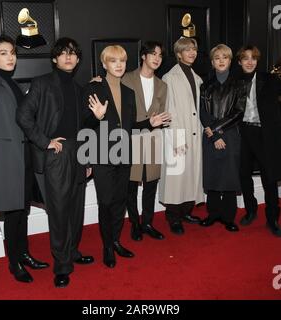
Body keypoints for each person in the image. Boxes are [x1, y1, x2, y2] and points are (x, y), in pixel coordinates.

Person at [0, 32, 49, 283]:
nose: (10, 58)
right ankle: (14, 263)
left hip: (24, 154)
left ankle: (24, 254)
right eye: (3, 53)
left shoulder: (13, 84)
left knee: (22, 209)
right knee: (13, 213)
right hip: (7, 156)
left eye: (12, 53)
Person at [16, 37, 94, 288]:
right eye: (63, 53)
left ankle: (72, 252)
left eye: (73, 53)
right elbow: (23, 115)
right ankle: (62, 265)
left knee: (76, 209)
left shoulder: (79, 89)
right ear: (54, 58)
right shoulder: (42, 84)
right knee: (59, 211)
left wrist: (87, 157)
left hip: (77, 152)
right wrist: (45, 141)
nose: (68, 57)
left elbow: (83, 126)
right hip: (56, 154)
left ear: (78, 59)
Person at [84, 45, 170, 268]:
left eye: (122, 60)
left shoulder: (128, 93)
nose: (119, 65)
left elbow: (131, 126)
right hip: (102, 155)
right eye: (113, 61)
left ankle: (115, 241)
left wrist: (149, 124)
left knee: (120, 201)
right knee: (106, 202)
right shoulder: (93, 88)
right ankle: (107, 247)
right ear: (104, 64)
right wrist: (96, 118)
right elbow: (83, 125)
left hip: (124, 155)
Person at [236, 45, 281, 237]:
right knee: (243, 174)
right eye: (245, 58)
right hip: (243, 134)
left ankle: (272, 219)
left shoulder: (269, 79)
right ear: (240, 61)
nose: (250, 62)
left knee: (269, 177)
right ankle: (251, 211)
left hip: (265, 135)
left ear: (257, 61)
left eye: (253, 58)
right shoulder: (236, 82)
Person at [122, 41, 167, 242]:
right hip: (132, 140)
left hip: (154, 141)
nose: (157, 58)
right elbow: (122, 117)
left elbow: (162, 116)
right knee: (130, 187)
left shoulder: (162, 85)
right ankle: (134, 223)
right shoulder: (126, 79)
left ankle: (147, 222)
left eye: (160, 55)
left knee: (151, 186)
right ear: (143, 56)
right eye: (152, 54)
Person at [159, 37, 204, 235]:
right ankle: (173, 217)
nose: (192, 53)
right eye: (187, 50)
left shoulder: (197, 77)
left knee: (191, 175)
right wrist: (176, 139)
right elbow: (170, 111)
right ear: (179, 54)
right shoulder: (170, 77)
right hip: (179, 134)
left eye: (194, 49)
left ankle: (186, 212)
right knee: (177, 177)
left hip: (195, 133)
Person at [199, 44, 246, 232]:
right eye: (217, 57)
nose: (221, 60)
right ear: (212, 62)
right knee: (212, 176)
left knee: (228, 177)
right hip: (210, 136)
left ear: (230, 60)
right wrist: (214, 134)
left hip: (231, 135)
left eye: (224, 57)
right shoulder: (205, 86)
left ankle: (228, 217)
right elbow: (202, 113)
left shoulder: (239, 85)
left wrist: (218, 130)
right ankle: (213, 214)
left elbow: (238, 112)